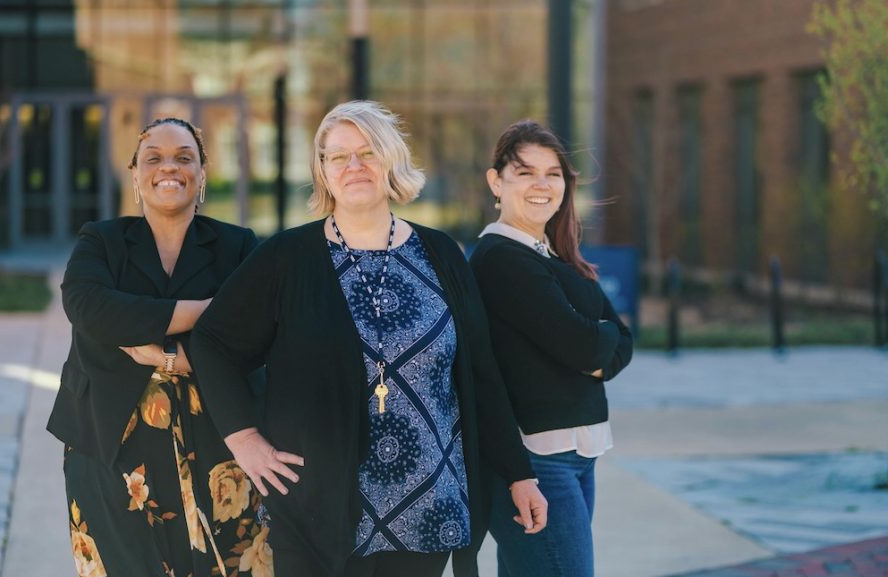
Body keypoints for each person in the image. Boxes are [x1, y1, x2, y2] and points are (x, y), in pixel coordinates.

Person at [189, 101, 546, 577]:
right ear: (323, 171)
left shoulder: (441, 252)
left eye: (368, 153)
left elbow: (481, 373)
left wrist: (520, 474)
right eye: (338, 157)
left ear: (391, 160)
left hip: (428, 507)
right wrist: (244, 438)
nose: (354, 166)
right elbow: (212, 341)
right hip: (318, 504)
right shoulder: (286, 258)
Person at [47, 118, 271, 577]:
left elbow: (258, 332)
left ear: (202, 174)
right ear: (135, 174)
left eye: (184, 157)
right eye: (154, 158)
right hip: (110, 450)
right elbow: (89, 308)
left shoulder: (238, 246)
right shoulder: (102, 241)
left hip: (220, 450)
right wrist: (205, 310)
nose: (169, 167)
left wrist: (173, 355)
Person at [469, 120, 634, 577]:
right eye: (525, 172)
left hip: (579, 455)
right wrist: (595, 347)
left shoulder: (557, 257)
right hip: (537, 461)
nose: (542, 185)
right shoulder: (500, 258)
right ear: (495, 181)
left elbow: (622, 343)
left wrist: (596, 346)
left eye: (553, 173)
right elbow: (589, 346)